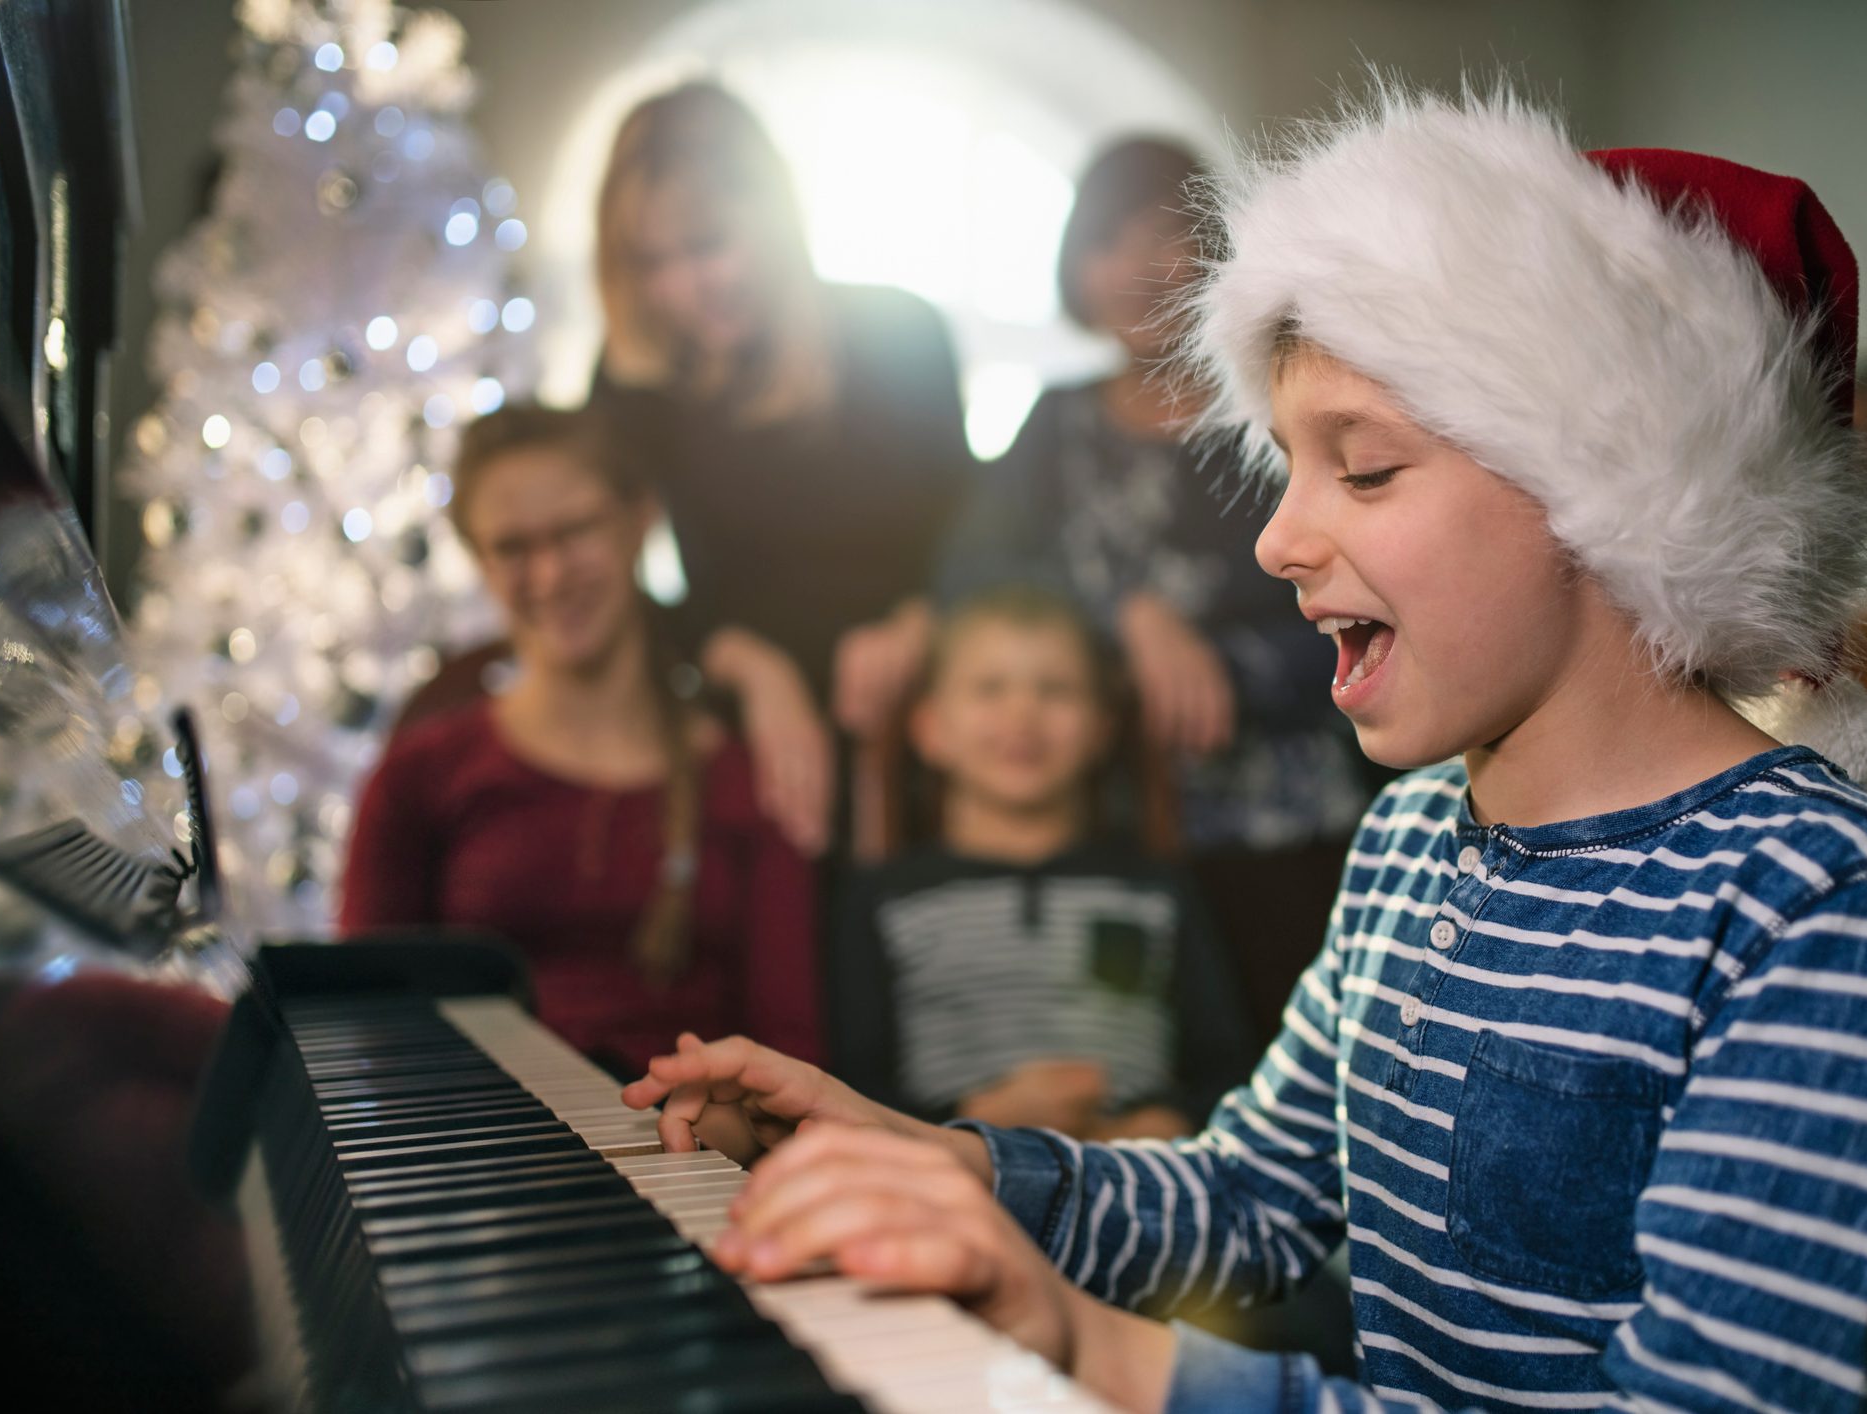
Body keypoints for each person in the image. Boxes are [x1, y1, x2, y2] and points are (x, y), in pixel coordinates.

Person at [620, 87, 1867, 1413]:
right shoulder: (1410, 844)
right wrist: (935, 1162)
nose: (1276, 540)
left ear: (1607, 493)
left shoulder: (1828, 908)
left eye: (1366, 465)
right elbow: (1243, 1201)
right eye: (1285, 463)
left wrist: (1095, 1354)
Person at [937, 139, 1376, 1035]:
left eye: (1162, 237)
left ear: (1217, 252)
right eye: (1106, 244)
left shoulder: (1274, 418)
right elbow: (968, 580)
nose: (1135, 271)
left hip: (1290, 819)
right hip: (1109, 824)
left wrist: (1218, 663)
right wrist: (1128, 615)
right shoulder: (1054, 424)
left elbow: (1366, 594)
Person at [340, 405, 823, 1076]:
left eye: (574, 532)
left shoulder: (745, 780)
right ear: (477, 561)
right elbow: (365, 1026)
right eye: (512, 548)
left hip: (697, 1156)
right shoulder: (420, 776)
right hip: (477, 1151)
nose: (549, 575)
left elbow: (793, 1051)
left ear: (640, 521)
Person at [585, 83, 970, 822]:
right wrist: (749, 668)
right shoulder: (635, 380)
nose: (683, 288)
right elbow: (615, 579)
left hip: (930, 708)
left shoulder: (902, 332)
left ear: (775, 215)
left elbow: (972, 529)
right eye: (651, 262)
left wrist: (917, 623)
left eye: (708, 246)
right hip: (743, 724)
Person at [828, 585, 1251, 1137]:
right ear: (930, 730)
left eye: (1055, 690)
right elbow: (853, 1087)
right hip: (947, 1182)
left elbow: (1229, 1066)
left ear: (1102, 728)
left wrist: (1169, 1118)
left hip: (1136, 1180)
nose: (1023, 714)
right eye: (989, 688)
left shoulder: (1157, 890)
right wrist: (978, 1119)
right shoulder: (881, 898)